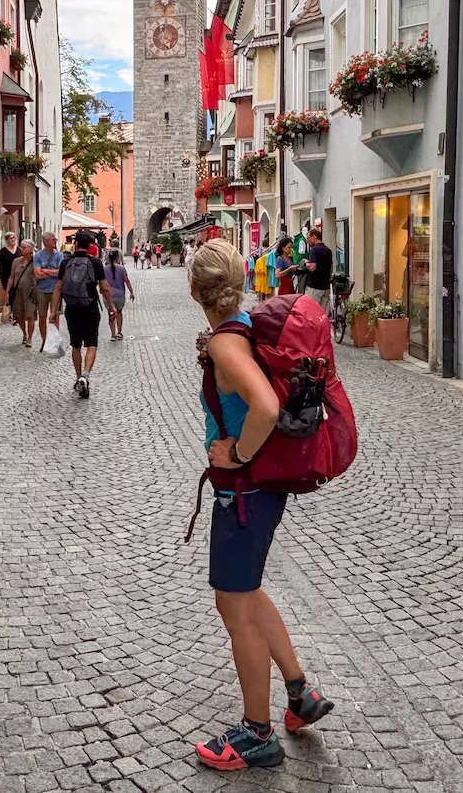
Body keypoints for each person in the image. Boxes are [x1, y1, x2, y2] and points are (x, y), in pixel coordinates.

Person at [188, 239, 333, 770]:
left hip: (243, 492)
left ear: (193, 289)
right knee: (247, 594)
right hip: (260, 490)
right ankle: (299, 694)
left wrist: (236, 455)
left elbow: (266, 407)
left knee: (234, 605)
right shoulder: (240, 328)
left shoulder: (228, 343)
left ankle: (257, 734)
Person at [49, 231, 113, 398]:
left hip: (72, 308)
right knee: (92, 343)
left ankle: (78, 377)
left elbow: (58, 288)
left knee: (75, 345)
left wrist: (53, 311)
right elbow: (104, 287)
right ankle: (85, 375)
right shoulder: (96, 262)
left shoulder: (66, 262)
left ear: (75, 244)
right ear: (90, 246)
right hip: (90, 307)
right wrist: (111, 307)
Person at [32, 232, 64, 351]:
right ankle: (45, 341)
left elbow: (61, 273)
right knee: (42, 316)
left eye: (55, 239)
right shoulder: (39, 256)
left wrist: (45, 271)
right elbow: (37, 274)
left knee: (55, 316)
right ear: (46, 242)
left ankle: (55, 341)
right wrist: (53, 272)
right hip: (42, 290)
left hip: (56, 289)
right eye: (53, 240)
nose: (55, 241)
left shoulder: (59, 255)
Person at [7, 240, 39, 347]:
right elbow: (12, 276)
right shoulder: (16, 261)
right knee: (19, 315)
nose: (21, 249)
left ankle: (30, 338)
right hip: (18, 292)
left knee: (30, 315)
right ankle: (24, 334)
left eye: (23, 247)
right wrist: (8, 291)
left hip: (31, 292)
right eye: (21, 247)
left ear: (30, 249)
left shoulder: (36, 261)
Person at [104, 248, 134, 341]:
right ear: (117, 257)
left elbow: (102, 282)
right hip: (120, 295)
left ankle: (113, 334)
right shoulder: (122, 268)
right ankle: (119, 332)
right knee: (119, 313)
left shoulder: (104, 269)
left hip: (108, 295)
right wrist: (131, 292)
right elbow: (126, 280)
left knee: (111, 314)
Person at [299, 228, 333, 309]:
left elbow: (312, 268)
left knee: (310, 311)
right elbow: (330, 267)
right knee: (322, 313)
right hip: (325, 287)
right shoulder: (328, 250)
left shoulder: (314, 250)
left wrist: (306, 262)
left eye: (308, 238)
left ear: (314, 236)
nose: (307, 241)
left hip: (314, 286)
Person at [0, 232, 18, 323]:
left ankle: (14, 314)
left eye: (14, 238)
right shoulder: (3, 251)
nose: (13, 240)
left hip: (18, 276)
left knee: (16, 294)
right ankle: (12, 313)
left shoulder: (19, 250)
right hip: (6, 276)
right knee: (10, 294)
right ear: (7, 240)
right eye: (11, 238)